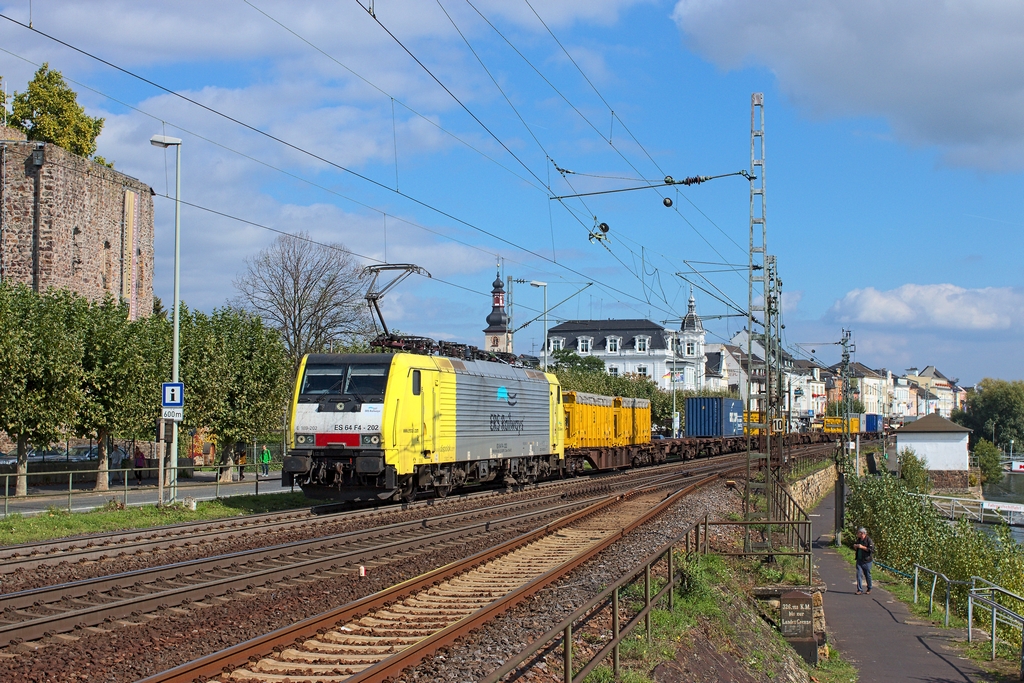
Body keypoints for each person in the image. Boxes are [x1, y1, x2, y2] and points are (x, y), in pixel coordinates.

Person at [853, 526, 875, 594]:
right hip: (859, 560)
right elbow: (857, 546)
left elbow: (871, 550)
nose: (857, 534)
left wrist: (862, 547)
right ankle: (859, 589)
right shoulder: (859, 540)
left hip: (867, 561)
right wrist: (856, 547)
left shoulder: (868, 540)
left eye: (858, 533)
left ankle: (869, 588)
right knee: (859, 574)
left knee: (867, 574)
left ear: (862, 533)